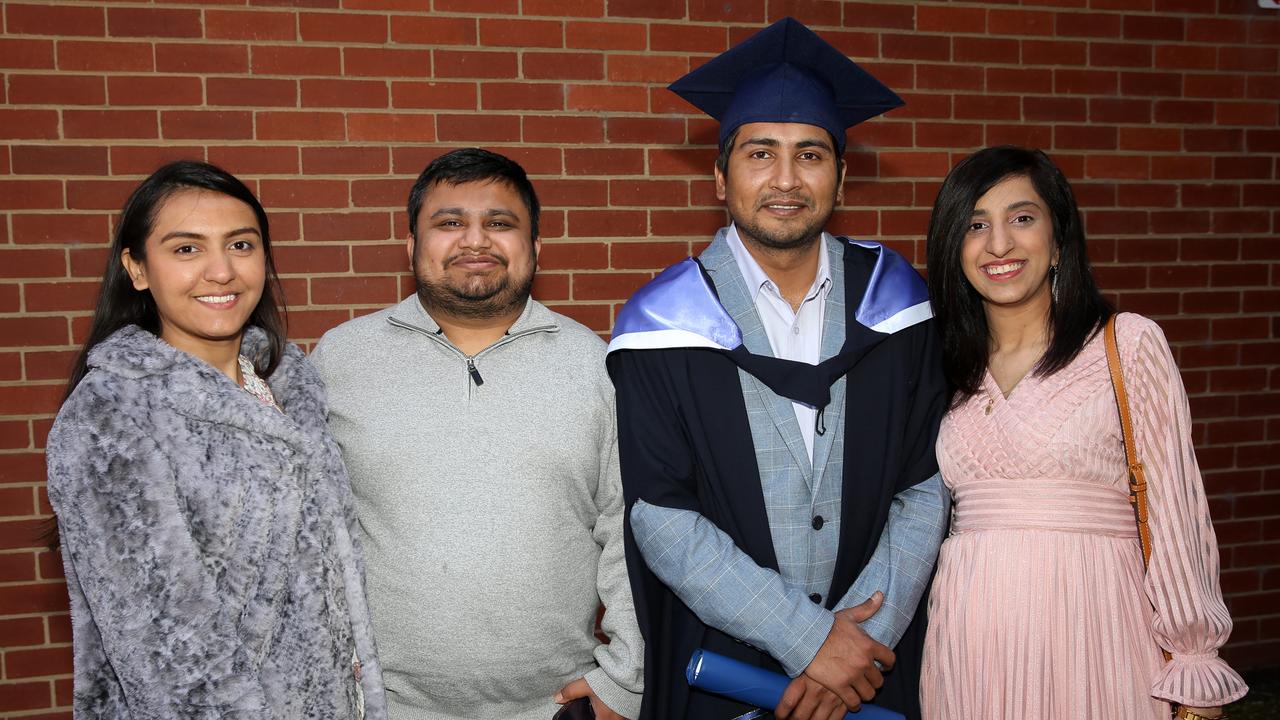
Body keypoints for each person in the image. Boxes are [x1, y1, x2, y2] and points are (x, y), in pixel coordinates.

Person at [606, 17, 948, 720]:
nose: (786, 179)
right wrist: (808, 638)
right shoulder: (664, 323)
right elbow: (661, 516)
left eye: (811, 154)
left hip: (871, 676)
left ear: (842, 177)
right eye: (760, 153)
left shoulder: (898, 305)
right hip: (727, 671)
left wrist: (860, 644)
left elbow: (925, 486)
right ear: (720, 176)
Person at [310, 147, 644, 720]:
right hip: (384, 707)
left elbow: (628, 530)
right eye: (450, 222)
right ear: (412, 246)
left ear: (535, 248)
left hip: (555, 707)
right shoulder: (339, 361)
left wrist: (625, 681)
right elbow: (306, 531)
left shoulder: (598, 366)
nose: (475, 241)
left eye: (498, 223)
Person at [45, 161, 387, 718]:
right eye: (186, 249)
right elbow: (166, 656)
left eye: (241, 245)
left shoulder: (291, 387)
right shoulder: (110, 415)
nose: (221, 271)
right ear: (137, 268)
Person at [920, 145, 1249, 720]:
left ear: (1058, 237)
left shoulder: (1126, 345)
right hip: (971, 638)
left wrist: (1194, 665)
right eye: (976, 225)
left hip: (1098, 628)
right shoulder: (942, 367)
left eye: (1022, 218)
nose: (999, 244)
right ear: (955, 248)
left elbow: (1175, 513)